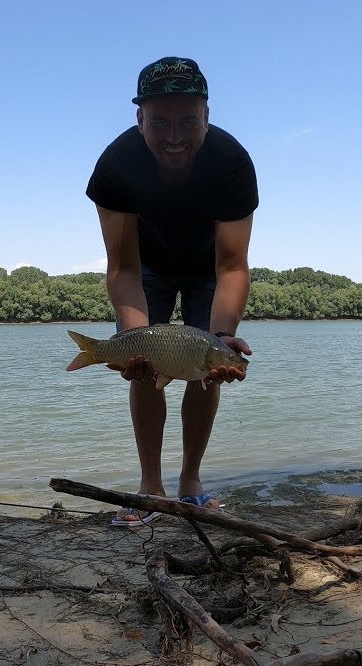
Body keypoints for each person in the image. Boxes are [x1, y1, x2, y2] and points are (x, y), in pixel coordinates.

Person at [85, 56, 258, 526]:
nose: (174, 135)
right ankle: (150, 488)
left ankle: (190, 484)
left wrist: (221, 334)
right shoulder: (117, 165)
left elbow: (232, 264)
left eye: (187, 120)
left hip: (208, 267)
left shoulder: (232, 162)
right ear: (139, 119)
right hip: (146, 267)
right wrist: (135, 341)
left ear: (207, 114)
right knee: (145, 370)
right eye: (160, 121)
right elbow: (122, 266)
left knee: (207, 360)